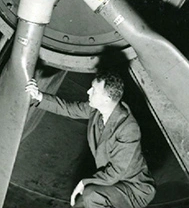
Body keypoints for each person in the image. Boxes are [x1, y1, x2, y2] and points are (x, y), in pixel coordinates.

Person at [25, 71, 156, 208]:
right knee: (80, 203)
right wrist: (38, 96)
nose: (88, 91)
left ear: (107, 98)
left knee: (91, 195)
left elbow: (117, 171)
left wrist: (84, 182)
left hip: (134, 189)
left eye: (94, 90)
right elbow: (69, 108)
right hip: (111, 182)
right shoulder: (97, 110)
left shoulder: (128, 128)